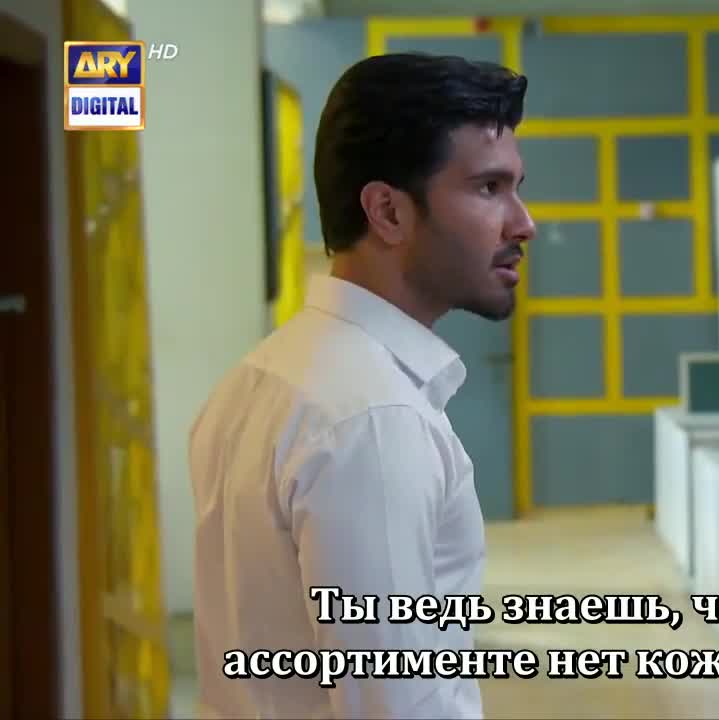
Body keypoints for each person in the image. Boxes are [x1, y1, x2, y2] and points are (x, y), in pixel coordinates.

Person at [187, 53, 535, 719]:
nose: (523, 222)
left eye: (516, 187)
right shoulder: (374, 420)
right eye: (489, 188)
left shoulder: (257, 379)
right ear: (388, 212)